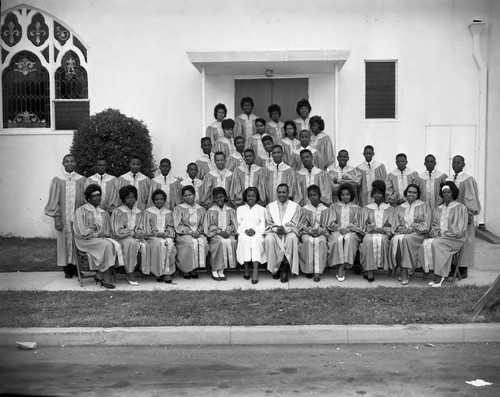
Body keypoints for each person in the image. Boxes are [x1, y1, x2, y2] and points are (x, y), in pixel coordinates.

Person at [418, 182, 468, 287]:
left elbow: (459, 229)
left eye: (448, 192)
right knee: (425, 243)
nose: (446, 194)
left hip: (455, 238)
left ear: (453, 193)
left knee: (437, 244)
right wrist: (436, 232)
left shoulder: (460, 208)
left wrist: (444, 234)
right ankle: (432, 271)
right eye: (444, 192)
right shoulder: (438, 209)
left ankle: (439, 275)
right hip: (440, 237)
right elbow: (435, 225)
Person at [73, 184, 123, 289]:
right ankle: (105, 276)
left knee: (111, 243)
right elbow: (81, 231)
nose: (97, 198)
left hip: (100, 240)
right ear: (88, 197)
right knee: (106, 245)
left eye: (99, 195)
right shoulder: (80, 211)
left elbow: (108, 231)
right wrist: (97, 234)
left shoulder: (103, 213)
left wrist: (104, 235)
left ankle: (100, 275)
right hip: (85, 240)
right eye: (94, 196)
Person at [44, 154, 86, 278]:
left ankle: (76, 268)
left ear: (75, 163)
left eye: (72, 161)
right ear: (63, 164)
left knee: (78, 241)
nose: (69, 163)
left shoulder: (82, 180)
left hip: (78, 218)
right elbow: (54, 201)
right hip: (63, 218)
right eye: (67, 161)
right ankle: (67, 269)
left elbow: (84, 201)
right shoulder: (58, 180)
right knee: (63, 242)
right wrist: (56, 218)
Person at [389, 184, 431, 285]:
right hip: (403, 233)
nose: (411, 194)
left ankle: (405, 271)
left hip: (418, 234)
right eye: (409, 192)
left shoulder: (424, 206)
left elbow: (426, 223)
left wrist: (413, 228)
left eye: (414, 192)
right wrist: (401, 229)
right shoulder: (400, 207)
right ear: (406, 193)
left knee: (405, 239)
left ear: (418, 194)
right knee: (395, 239)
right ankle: (402, 268)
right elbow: (395, 224)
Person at [446, 155, 481, 278]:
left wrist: (469, 215)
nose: (456, 165)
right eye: (454, 163)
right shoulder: (448, 179)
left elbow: (471, 200)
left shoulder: (468, 180)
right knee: (450, 237)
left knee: (465, 240)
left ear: (464, 164)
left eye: (458, 163)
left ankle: (463, 268)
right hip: (450, 215)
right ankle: (451, 266)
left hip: (463, 216)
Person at [359, 180, 396, 282]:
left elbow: (392, 225)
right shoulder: (367, 208)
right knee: (368, 241)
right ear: (372, 194)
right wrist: (370, 228)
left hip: (384, 234)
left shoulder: (389, 209)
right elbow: (363, 225)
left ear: (383, 194)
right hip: (370, 233)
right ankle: (369, 269)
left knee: (383, 241)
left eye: (379, 193)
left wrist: (383, 229)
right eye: (375, 193)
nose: (377, 195)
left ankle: (382, 267)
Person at [265, 183, 302, 282]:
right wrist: (276, 229)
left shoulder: (295, 206)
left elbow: (296, 222)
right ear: (277, 193)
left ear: (288, 193)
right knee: (269, 239)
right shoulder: (270, 207)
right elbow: (268, 223)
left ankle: (284, 269)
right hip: (274, 232)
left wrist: (285, 229)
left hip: (289, 231)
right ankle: (275, 268)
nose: (282, 195)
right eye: (280, 192)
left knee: (291, 238)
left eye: (284, 192)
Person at [111, 185, 147, 285]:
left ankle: (140, 269)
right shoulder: (118, 211)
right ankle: (130, 272)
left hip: (134, 237)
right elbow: (117, 230)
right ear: (123, 199)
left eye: (132, 197)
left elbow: (141, 227)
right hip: (121, 238)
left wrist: (140, 233)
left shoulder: (139, 212)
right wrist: (132, 233)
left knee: (145, 244)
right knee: (131, 243)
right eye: (127, 198)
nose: (131, 200)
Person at [327, 183, 363, 282]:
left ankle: (343, 266)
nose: (345, 196)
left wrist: (349, 229)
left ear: (351, 195)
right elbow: (331, 222)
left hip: (352, 231)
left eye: (347, 194)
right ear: (340, 195)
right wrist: (339, 228)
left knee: (349, 239)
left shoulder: (357, 208)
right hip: (337, 230)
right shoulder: (334, 206)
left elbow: (358, 224)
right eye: (343, 195)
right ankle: (340, 266)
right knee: (336, 240)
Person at [142, 189, 176, 283]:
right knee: (158, 244)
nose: (159, 201)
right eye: (157, 199)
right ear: (153, 200)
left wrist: (166, 233)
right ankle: (158, 272)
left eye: (161, 199)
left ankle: (167, 272)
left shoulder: (169, 212)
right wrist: (156, 234)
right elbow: (146, 228)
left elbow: (171, 226)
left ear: (164, 200)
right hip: (152, 237)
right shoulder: (147, 212)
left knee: (169, 244)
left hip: (166, 236)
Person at [174, 185, 208, 278]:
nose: (188, 197)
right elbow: (178, 224)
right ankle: (185, 269)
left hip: (198, 232)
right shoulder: (179, 208)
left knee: (203, 242)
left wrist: (198, 231)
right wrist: (189, 232)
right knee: (189, 243)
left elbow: (203, 224)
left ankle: (194, 268)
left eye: (190, 195)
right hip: (184, 233)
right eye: (185, 195)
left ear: (194, 195)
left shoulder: (201, 209)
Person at [204, 187, 238, 280]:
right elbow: (208, 226)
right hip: (215, 235)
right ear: (214, 199)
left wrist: (228, 231)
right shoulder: (210, 211)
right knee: (219, 243)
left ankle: (222, 270)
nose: (219, 199)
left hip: (228, 234)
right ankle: (215, 270)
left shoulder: (230, 210)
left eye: (221, 197)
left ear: (225, 197)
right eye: (216, 198)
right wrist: (218, 231)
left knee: (232, 242)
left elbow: (234, 224)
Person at [298, 185, 330, 282]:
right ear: (308, 197)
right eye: (310, 195)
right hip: (307, 232)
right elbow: (301, 224)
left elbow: (328, 225)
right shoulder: (305, 209)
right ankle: (308, 270)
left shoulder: (325, 209)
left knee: (321, 242)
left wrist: (320, 231)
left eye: (315, 195)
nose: (313, 197)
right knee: (307, 241)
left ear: (319, 195)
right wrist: (309, 231)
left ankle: (318, 271)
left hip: (322, 233)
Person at [236, 187, 267, 284]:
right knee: (243, 239)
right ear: (245, 197)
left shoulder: (262, 209)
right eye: (248, 196)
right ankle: (246, 268)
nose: (251, 198)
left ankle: (255, 270)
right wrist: (245, 230)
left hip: (257, 233)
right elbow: (238, 223)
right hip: (244, 232)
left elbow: (263, 224)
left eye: (253, 196)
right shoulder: (240, 209)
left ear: (256, 197)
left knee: (255, 241)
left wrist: (255, 231)